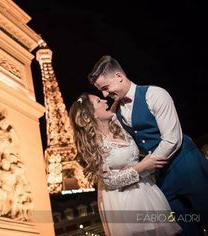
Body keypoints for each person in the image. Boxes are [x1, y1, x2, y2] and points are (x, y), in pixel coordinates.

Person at [87, 55, 208, 236]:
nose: (104, 94)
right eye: (101, 91)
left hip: (187, 166)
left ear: (119, 76)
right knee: (185, 228)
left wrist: (144, 168)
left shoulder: (155, 94)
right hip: (161, 180)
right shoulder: (115, 113)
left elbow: (172, 139)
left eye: (105, 88)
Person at [69, 93, 182, 236]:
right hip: (123, 200)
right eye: (99, 101)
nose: (105, 100)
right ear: (89, 115)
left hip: (147, 190)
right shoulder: (93, 145)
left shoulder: (117, 126)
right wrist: (143, 166)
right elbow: (109, 181)